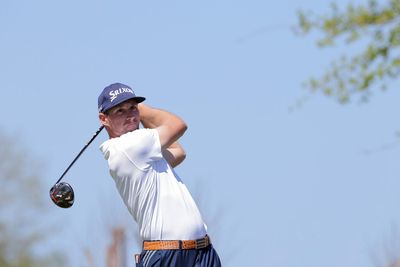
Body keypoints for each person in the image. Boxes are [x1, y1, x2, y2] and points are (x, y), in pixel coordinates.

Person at [98, 82, 222, 267]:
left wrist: (134, 114)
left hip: (201, 252)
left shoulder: (143, 150)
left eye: (132, 108)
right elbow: (178, 125)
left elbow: (178, 152)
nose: (130, 115)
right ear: (104, 118)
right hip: (166, 255)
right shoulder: (128, 146)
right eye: (120, 111)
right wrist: (141, 110)